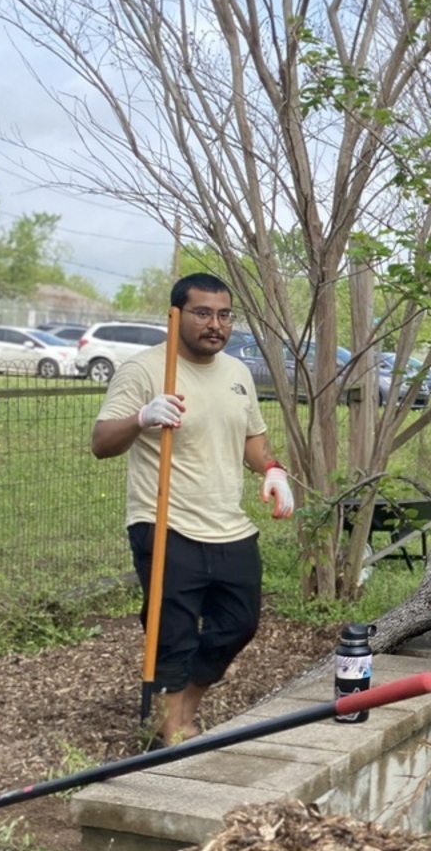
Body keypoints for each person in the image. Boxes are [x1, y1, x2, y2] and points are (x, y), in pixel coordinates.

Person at [91, 273, 294, 745]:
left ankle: (179, 709)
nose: (215, 325)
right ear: (176, 315)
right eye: (203, 313)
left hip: (229, 526)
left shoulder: (238, 373)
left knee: (239, 624)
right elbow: (102, 443)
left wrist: (273, 470)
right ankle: (173, 731)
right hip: (165, 523)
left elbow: (253, 440)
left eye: (224, 315)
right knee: (172, 635)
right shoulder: (145, 371)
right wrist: (142, 417)